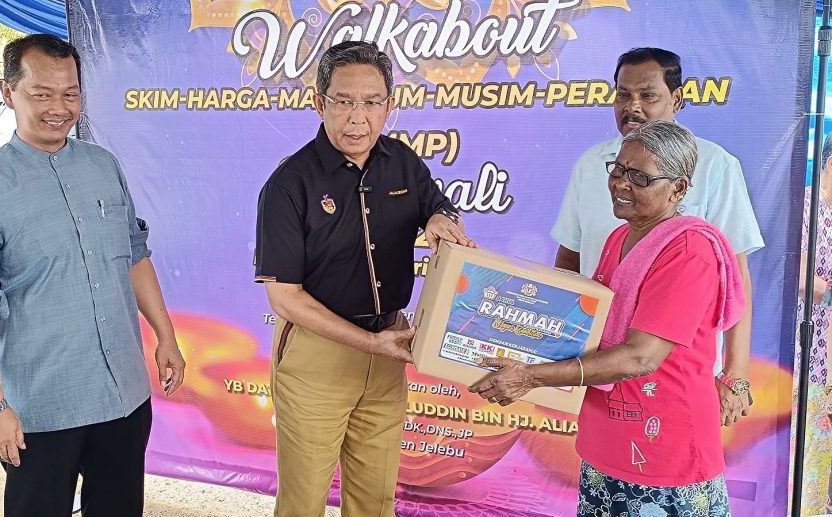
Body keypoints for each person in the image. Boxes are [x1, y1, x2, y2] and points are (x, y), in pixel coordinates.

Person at [0, 34, 186, 517]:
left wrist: (166, 335)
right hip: (41, 407)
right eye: (42, 94)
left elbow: (134, 255)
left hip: (123, 392)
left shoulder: (103, 166)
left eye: (70, 93)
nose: (59, 108)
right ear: (8, 92)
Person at [472, 120, 743, 515]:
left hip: (665, 448)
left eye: (640, 177)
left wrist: (531, 376)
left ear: (679, 188)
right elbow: (587, 329)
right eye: (618, 169)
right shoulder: (619, 237)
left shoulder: (689, 251)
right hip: (606, 437)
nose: (621, 184)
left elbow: (640, 357)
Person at [255, 41, 474, 517]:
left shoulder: (402, 161)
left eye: (372, 102)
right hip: (318, 356)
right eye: (344, 101)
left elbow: (438, 205)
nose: (358, 118)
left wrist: (441, 218)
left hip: (389, 350)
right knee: (302, 503)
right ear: (319, 104)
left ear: (389, 106)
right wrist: (369, 343)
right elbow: (285, 298)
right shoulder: (289, 184)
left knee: (375, 501)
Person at [551, 48, 762, 426]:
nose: (632, 106)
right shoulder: (592, 165)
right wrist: (555, 349)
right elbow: (570, 259)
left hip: (675, 372)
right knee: (600, 458)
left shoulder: (714, 165)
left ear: (676, 100)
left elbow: (736, 278)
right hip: (596, 366)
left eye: (647, 95)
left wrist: (736, 374)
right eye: (623, 94)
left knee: (671, 456)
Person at [791, 131, 832, 514]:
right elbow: (797, 273)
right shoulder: (806, 208)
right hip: (808, 359)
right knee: (806, 458)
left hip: (826, 359)